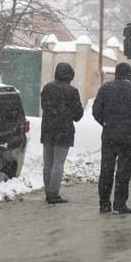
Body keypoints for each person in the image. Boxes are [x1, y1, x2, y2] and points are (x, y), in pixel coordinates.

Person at [92, 62, 131, 214]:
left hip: (109, 135)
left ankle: (104, 203)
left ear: (116, 73)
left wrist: (106, 123)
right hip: (128, 136)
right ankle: (120, 203)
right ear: (128, 74)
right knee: (124, 170)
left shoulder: (105, 88)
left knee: (106, 169)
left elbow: (96, 111)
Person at [40, 61, 84, 205]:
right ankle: (54, 194)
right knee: (58, 163)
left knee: (48, 163)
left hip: (47, 129)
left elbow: (44, 106)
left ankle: (48, 191)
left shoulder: (47, 88)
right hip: (64, 130)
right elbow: (78, 115)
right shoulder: (72, 92)